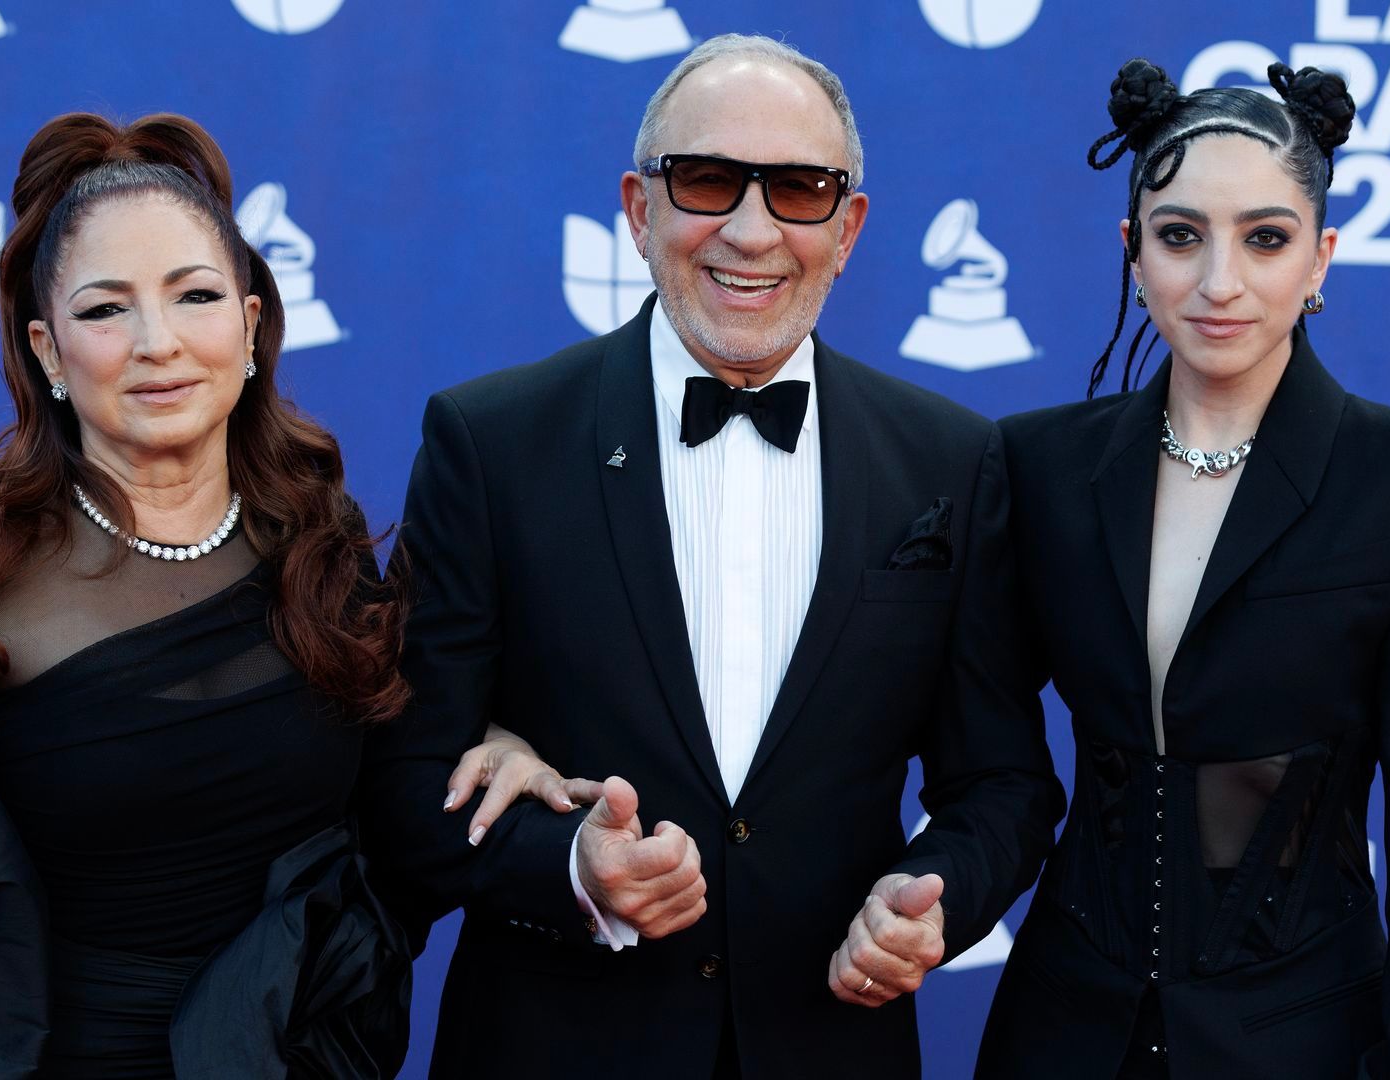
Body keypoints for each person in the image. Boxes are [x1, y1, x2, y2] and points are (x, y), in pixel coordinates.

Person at [0, 112, 584, 1080]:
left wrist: (498, 743)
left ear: (251, 322)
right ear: (49, 350)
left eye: (194, 296)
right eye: (106, 310)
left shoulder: (321, 543)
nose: (158, 343)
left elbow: (394, 789)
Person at [394, 34, 1063, 1080]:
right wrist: (572, 864)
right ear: (637, 207)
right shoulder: (493, 444)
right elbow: (403, 782)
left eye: (800, 190)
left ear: (849, 229)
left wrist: (933, 898)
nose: (751, 232)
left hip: (831, 1044)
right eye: (707, 181)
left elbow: (1004, 785)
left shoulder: (949, 460)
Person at [976, 60, 1390, 1079]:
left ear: (1320, 259)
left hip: (1306, 1039)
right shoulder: (1034, 467)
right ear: (1133, 253)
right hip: (1059, 1032)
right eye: (1181, 235)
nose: (1219, 281)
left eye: (1265, 238)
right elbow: (990, 764)